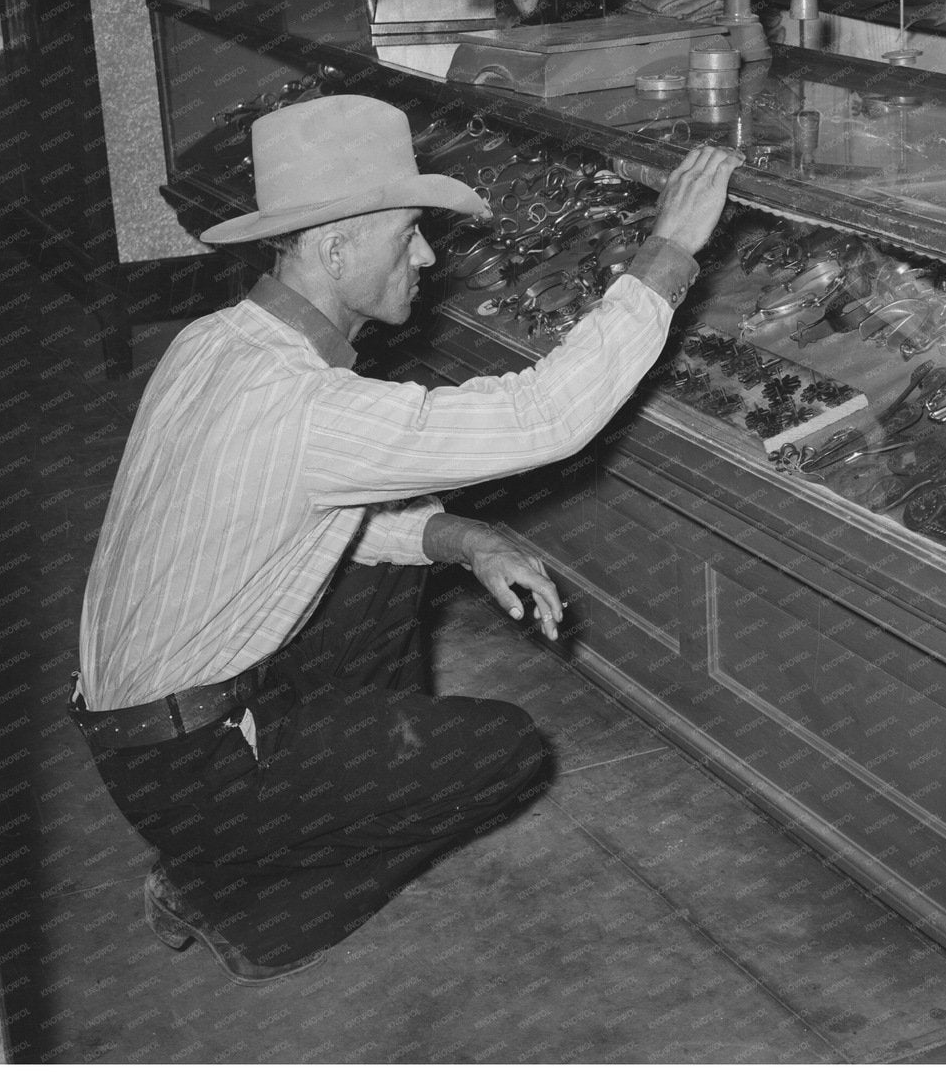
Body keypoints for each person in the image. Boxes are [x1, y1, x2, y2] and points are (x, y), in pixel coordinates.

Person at [72, 93, 741, 984]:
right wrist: (671, 250)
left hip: (145, 737)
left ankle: (342, 774)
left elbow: (297, 510)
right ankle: (236, 896)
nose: (427, 254)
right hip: (197, 768)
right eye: (409, 233)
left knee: (402, 550)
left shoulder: (216, 342)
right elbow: (548, 415)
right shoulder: (312, 407)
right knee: (506, 756)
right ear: (335, 244)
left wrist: (464, 539)